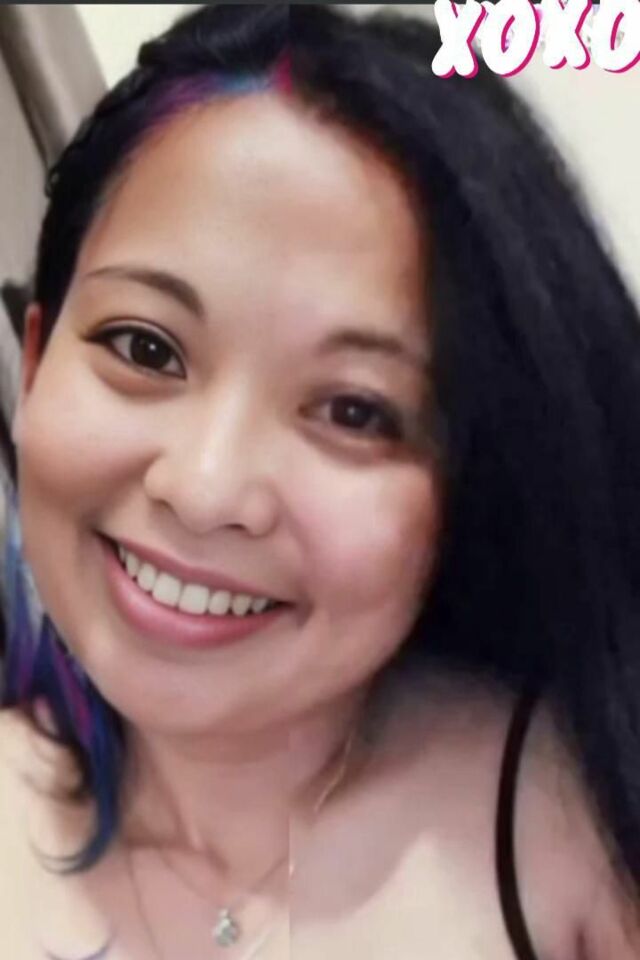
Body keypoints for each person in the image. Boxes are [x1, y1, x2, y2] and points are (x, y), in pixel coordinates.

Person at [0, 4, 639, 958]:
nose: (205, 489)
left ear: (466, 480)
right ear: (37, 359)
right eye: (145, 347)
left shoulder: (579, 816)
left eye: (354, 410)